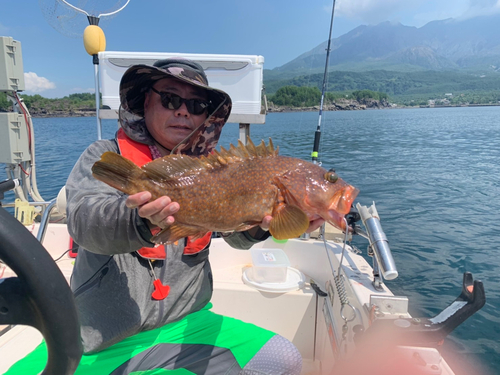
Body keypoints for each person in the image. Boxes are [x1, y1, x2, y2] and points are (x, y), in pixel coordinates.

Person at [6, 58, 323, 374]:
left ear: (206, 116)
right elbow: (87, 222)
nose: (183, 111)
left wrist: (261, 227)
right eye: (170, 99)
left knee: (285, 359)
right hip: (101, 339)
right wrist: (142, 220)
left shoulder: (218, 169)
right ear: (146, 102)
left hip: (189, 324)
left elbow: (235, 233)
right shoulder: (104, 156)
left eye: (197, 105)